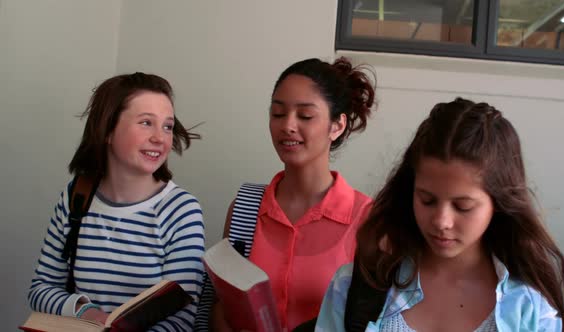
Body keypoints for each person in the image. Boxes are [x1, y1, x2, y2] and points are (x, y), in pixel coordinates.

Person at [315, 97, 564, 331]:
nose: (441, 221)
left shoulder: (530, 309)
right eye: (427, 200)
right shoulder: (355, 288)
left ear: (499, 203)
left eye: (463, 206)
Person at [27, 72, 205, 331]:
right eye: (146, 123)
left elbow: (181, 319)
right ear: (107, 130)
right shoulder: (76, 196)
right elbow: (40, 289)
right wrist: (85, 311)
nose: (160, 137)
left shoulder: (181, 210)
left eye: (167, 126)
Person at [209, 57, 377, 331]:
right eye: (277, 114)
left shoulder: (366, 218)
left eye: (305, 116)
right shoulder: (245, 207)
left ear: (337, 125)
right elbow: (220, 306)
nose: (288, 125)